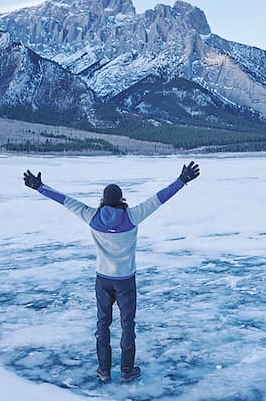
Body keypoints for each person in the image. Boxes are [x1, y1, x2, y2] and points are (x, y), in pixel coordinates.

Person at [23, 161, 201, 384]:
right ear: (121, 200)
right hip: (126, 280)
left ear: (103, 200)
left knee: (102, 323)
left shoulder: (91, 216)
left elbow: (65, 201)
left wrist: (40, 187)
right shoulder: (132, 216)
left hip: (103, 280)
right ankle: (127, 371)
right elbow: (159, 199)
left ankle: (103, 371)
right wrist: (182, 180)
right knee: (128, 324)